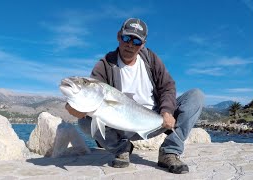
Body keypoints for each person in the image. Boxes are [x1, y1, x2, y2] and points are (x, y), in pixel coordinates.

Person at [65, 17, 204, 174]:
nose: (130, 44)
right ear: (119, 36)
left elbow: (167, 86)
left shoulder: (151, 59)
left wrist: (166, 111)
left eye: (136, 41)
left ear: (143, 44)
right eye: (126, 38)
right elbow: (93, 92)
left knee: (196, 96)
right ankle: (122, 149)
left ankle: (169, 152)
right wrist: (77, 107)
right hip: (121, 126)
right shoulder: (105, 64)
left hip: (156, 121)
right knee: (84, 122)